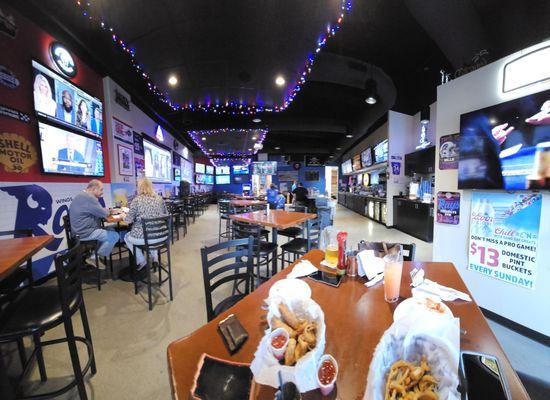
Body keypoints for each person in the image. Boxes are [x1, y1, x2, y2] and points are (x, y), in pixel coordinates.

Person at [69, 180, 119, 265]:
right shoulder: (89, 198)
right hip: (85, 233)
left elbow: (99, 211)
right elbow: (104, 213)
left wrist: (108, 210)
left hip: (78, 231)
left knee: (111, 229)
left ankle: (97, 254)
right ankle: (94, 258)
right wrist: (111, 211)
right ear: (94, 189)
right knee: (115, 236)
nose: (102, 192)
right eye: (101, 190)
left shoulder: (82, 196)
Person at [124, 178, 168, 271]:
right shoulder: (160, 199)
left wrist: (124, 216)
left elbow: (128, 220)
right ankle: (155, 257)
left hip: (145, 238)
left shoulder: (136, 200)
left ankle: (141, 260)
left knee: (127, 237)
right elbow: (166, 215)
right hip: (162, 236)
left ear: (139, 187)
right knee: (151, 234)